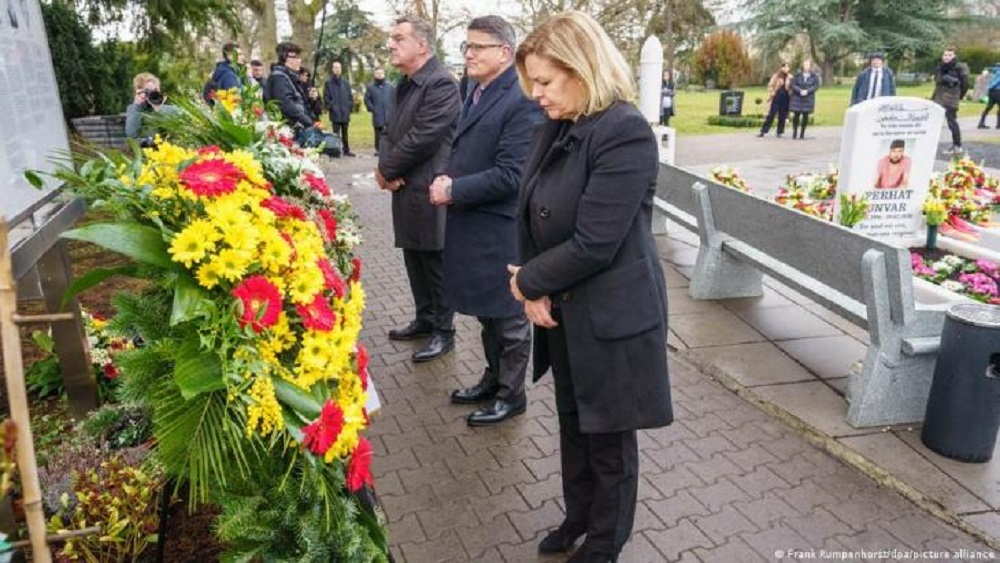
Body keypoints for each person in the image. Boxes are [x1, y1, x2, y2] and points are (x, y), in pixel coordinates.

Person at [509, 10, 672, 562]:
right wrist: (535, 288)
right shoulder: (559, 125)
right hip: (566, 309)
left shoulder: (623, 131)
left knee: (609, 440)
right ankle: (577, 516)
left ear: (583, 69)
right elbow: (530, 207)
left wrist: (529, 281)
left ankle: (605, 542)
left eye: (546, 82)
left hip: (612, 316)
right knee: (574, 425)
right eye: (532, 82)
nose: (536, 93)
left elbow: (595, 242)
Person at [427, 15, 541, 426]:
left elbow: (513, 175)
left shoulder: (521, 98)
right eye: (467, 46)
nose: (469, 54)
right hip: (476, 225)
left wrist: (453, 189)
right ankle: (493, 381)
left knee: (508, 318)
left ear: (505, 53)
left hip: (500, 228)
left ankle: (513, 396)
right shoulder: (477, 88)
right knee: (489, 316)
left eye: (478, 47)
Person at [377, 16, 461, 363]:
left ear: (422, 45)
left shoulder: (441, 84)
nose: (391, 45)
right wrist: (385, 168)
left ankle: (444, 331)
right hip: (405, 186)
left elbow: (422, 137)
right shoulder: (405, 84)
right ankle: (424, 319)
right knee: (413, 256)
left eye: (399, 38)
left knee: (434, 260)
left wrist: (387, 170)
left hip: (429, 187)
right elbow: (389, 131)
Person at [263, 42, 314, 132]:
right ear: (284, 57)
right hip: (286, 130)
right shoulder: (279, 77)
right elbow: (286, 105)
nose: (299, 60)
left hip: (293, 127)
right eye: (295, 57)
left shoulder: (289, 77)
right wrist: (309, 123)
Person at [932, 47, 970, 154]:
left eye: (949, 55)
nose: (946, 57)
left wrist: (959, 96)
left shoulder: (960, 67)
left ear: (954, 56)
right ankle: (930, 144)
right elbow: (937, 82)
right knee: (933, 122)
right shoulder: (940, 67)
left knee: (952, 123)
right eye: (945, 55)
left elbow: (965, 84)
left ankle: (957, 145)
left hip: (951, 99)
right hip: (938, 97)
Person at [125, 72, 179, 144]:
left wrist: (158, 109)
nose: (153, 94)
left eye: (155, 90)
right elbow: (131, 134)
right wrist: (137, 105)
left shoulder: (172, 109)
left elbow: (173, 130)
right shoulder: (134, 109)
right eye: (148, 91)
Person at [324, 61, 356, 157]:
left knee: (345, 133)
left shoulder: (346, 83)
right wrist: (331, 107)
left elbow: (350, 97)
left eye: (339, 67)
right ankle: (336, 150)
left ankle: (346, 150)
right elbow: (326, 97)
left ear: (341, 69)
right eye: (335, 67)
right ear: (333, 69)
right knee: (335, 134)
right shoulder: (328, 83)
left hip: (345, 112)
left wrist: (349, 107)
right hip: (335, 112)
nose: (337, 69)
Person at [364, 67, 395, 154]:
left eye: (381, 73)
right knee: (378, 133)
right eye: (377, 73)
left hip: (389, 114)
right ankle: (378, 149)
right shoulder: (370, 88)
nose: (380, 75)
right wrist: (373, 109)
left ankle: (389, 148)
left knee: (389, 132)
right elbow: (367, 100)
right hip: (377, 114)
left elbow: (395, 99)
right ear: (375, 74)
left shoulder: (390, 87)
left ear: (384, 74)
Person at [757, 62, 791, 137]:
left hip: (786, 97)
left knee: (782, 115)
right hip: (777, 96)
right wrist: (772, 92)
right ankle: (763, 131)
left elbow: (792, 87)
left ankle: (779, 132)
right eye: (785, 67)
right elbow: (770, 85)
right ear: (782, 68)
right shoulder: (776, 76)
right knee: (771, 114)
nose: (786, 69)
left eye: (788, 67)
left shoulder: (790, 77)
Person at [789, 59, 820, 140]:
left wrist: (807, 91)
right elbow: (792, 84)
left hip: (808, 98)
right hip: (797, 98)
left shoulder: (814, 76)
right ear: (803, 65)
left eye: (808, 65)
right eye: (805, 65)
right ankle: (795, 132)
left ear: (810, 66)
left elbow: (816, 86)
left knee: (805, 116)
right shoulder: (797, 75)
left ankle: (802, 134)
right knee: (796, 115)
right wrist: (800, 91)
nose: (806, 66)